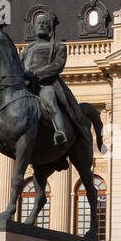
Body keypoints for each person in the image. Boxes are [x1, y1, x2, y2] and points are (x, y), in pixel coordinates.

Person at [19, 14, 91, 146]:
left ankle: (60, 132)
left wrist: (34, 74)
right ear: (34, 28)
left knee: (50, 100)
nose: (40, 25)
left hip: (45, 86)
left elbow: (57, 66)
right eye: (38, 23)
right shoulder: (27, 50)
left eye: (44, 23)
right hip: (26, 86)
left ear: (49, 28)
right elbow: (17, 66)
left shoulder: (59, 47)